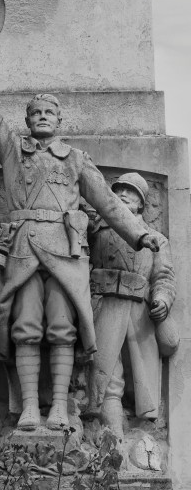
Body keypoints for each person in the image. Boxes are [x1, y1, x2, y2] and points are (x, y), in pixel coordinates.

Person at [0, 36, 160, 432]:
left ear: (60, 121)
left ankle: (59, 407)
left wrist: (139, 234)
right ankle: (29, 407)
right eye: (35, 112)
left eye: (49, 112)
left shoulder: (76, 160)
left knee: (63, 329)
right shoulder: (12, 150)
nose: (42, 117)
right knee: (25, 328)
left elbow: (108, 202)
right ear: (27, 120)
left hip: (66, 254)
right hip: (22, 250)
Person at [87, 173, 178, 437]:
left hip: (140, 313)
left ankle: (142, 435)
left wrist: (162, 300)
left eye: (131, 191)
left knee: (141, 381)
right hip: (105, 305)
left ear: (141, 204)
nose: (123, 194)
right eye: (118, 190)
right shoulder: (96, 231)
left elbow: (164, 277)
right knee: (107, 377)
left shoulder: (156, 238)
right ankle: (114, 438)